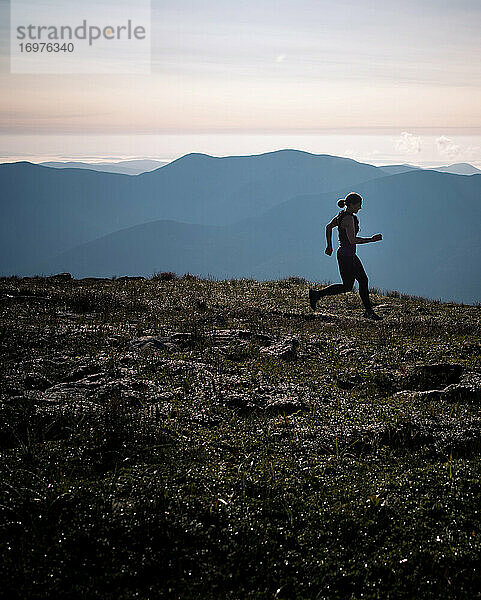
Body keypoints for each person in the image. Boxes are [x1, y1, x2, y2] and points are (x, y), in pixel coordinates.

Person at [309, 192, 383, 320]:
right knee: (351, 284)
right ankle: (316, 294)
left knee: (358, 282)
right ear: (353, 204)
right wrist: (372, 239)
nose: (360, 208)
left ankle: (368, 311)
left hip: (346, 254)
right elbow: (352, 240)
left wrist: (329, 246)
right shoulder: (349, 218)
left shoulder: (340, 215)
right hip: (347, 256)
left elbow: (328, 227)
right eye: (359, 205)